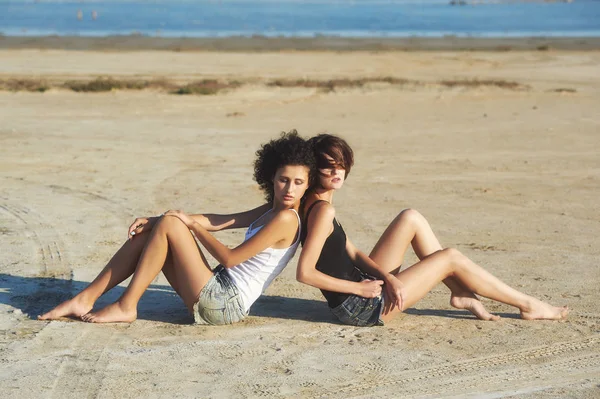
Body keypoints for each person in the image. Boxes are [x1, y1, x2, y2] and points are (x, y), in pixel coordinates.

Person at [39, 131, 316, 325]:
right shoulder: (273, 210)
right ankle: (84, 299)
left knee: (171, 223)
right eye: (283, 179)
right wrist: (155, 219)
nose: (289, 188)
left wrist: (190, 225)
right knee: (157, 227)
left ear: (307, 184)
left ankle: (126, 306)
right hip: (216, 289)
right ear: (272, 177)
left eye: (298, 182)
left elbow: (230, 259)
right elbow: (220, 220)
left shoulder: (286, 219)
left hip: (225, 304)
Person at [297, 134, 568, 327]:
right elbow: (305, 273)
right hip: (362, 308)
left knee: (410, 218)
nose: (337, 172)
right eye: (328, 166)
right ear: (313, 169)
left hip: (365, 284)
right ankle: (528, 305)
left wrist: (387, 278)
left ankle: (461, 293)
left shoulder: (316, 203)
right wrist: (358, 289)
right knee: (449, 257)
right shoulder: (323, 211)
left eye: (341, 164)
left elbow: (352, 252)